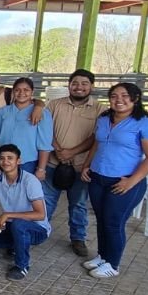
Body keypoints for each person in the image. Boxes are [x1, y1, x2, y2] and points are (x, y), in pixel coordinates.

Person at [80, 83, 148, 278]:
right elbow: (97, 144)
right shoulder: (104, 118)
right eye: (114, 96)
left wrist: (131, 182)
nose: (119, 100)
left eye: (125, 96)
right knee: (101, 219)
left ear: (135, 98)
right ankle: (103, 256)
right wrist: (86, 165)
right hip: (98, 177)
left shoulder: (146, 123)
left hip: (124, 181)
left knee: (113, 222)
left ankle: (113, 264)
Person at [43, 69, 107, 257]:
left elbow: (96, 137)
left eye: (84, 83)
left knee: (78, 204)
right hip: (53, 162)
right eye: (75, 83)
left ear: (92, 86)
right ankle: (39, 231)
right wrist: (58, 150)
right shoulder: (55, 105)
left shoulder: (100, 110)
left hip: (81, 166)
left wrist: (71, 152)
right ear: (69, 85)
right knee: (46, 201)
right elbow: (45, 129)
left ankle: (78, 238)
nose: (79, 87)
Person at [0, 144, 51, 281]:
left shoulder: (30, 181)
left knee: (19, 224)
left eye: (10, 158)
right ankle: (16, 244)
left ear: (18, 161)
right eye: (2, 158)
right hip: (11, 225)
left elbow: (40, 214)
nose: (5, 161)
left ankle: (22, 266)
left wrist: (7, 215)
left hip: (37, 230)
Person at [0, 64, 45, 183]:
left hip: (2, 147)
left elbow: (29, 99)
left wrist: (39, 106)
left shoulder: (9, 93)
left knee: (4, 180)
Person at [0, 78, 53, 179]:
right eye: (17, 90)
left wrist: (41, 169)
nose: (21, 93)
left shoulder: (42, 113)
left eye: (26, 90)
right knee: (2, 188)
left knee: (24, 188)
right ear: (13, 91)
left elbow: (44, 144)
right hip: (3, 161)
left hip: (27, 163)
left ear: (32, 92)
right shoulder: (3, 112)